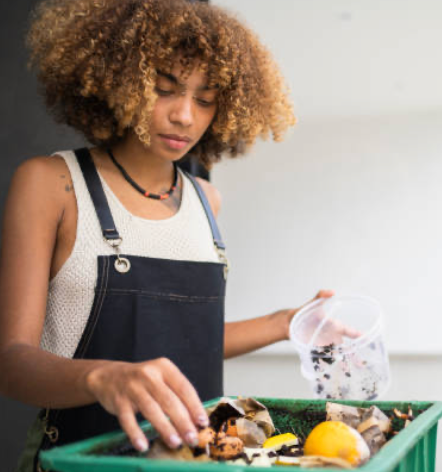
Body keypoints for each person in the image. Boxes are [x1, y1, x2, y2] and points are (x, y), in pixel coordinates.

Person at [0, 1, 336, 470]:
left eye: (205, 99)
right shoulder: (51, 183)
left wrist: (287, 322)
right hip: (76, 462)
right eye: (164, 89)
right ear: (119, 82)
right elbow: (11, 363)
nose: (184, 116)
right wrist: (102, 377)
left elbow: (180, 341)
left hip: (192, 461)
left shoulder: (206, 199)